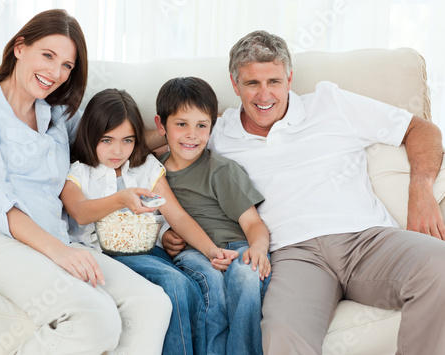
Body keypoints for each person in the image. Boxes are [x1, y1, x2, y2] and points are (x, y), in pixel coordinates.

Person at [160, 30, 445, 355]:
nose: (264, 95)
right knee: (281, 335)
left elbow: (419, 128)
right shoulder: (216, 132)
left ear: (290, 78)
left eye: (275, 82)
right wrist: (169, 232)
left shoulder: (331, 102)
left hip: (364, 239)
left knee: (440, 267)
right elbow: (168, 152)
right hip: (291, 256)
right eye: (252, 83)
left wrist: (421, 190)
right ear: (235, 84)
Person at [0, 9, 172, 355]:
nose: (55, 73)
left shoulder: (55, 114)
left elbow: (112, 138)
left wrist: (182, 133)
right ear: (20, 47)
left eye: (67, 65)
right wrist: (61, 252)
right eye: (48, 56)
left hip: (54, 236)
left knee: (152, 303)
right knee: (95, 317)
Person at [59, 87, 240, 355]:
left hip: (150, 252)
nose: (118, 151)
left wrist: (211, 250)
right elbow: (80, 211)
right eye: (106, 140)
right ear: (90, 136)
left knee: (193, 284)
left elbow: (176, 215)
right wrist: (122, 199)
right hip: (105, 254)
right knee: (174, 283)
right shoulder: (80, 172)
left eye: (127, 140)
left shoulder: (146, 167)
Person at [154, 76, 271, 355]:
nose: (192, 135)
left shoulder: (221, 170)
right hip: (194, 252)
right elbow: (161, 220)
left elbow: (254, 223)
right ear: (161, 126)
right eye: (181, 124)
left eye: (202, 126)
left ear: (211, 128)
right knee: (209, 280)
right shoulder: (152, 172)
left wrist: (259, 249)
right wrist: (167, 236)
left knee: (246, 276)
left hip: (237, 248)